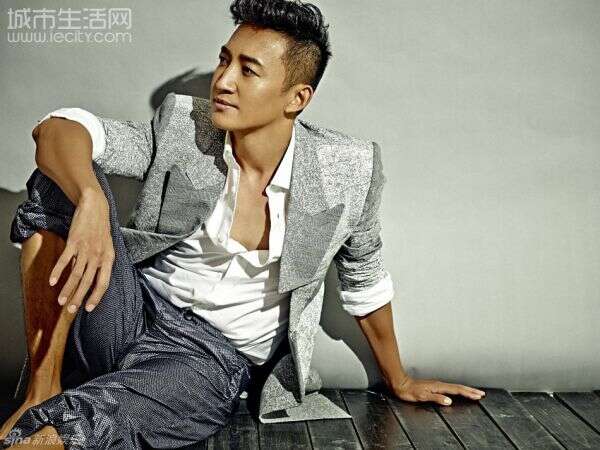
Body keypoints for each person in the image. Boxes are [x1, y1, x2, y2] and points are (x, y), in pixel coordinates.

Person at [1, 0, 486, 448]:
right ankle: (42, 389)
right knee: (58, 180)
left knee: (108, 417)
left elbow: (364, 278)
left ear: (296, 98)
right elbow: (61, 127)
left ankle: (45, 432)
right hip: (126, 311)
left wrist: (399, 379)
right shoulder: (183, 128)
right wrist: (90, 198)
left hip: (206, 358)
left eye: (247, 70)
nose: (223, 80)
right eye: (223, 60)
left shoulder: (347, 170)